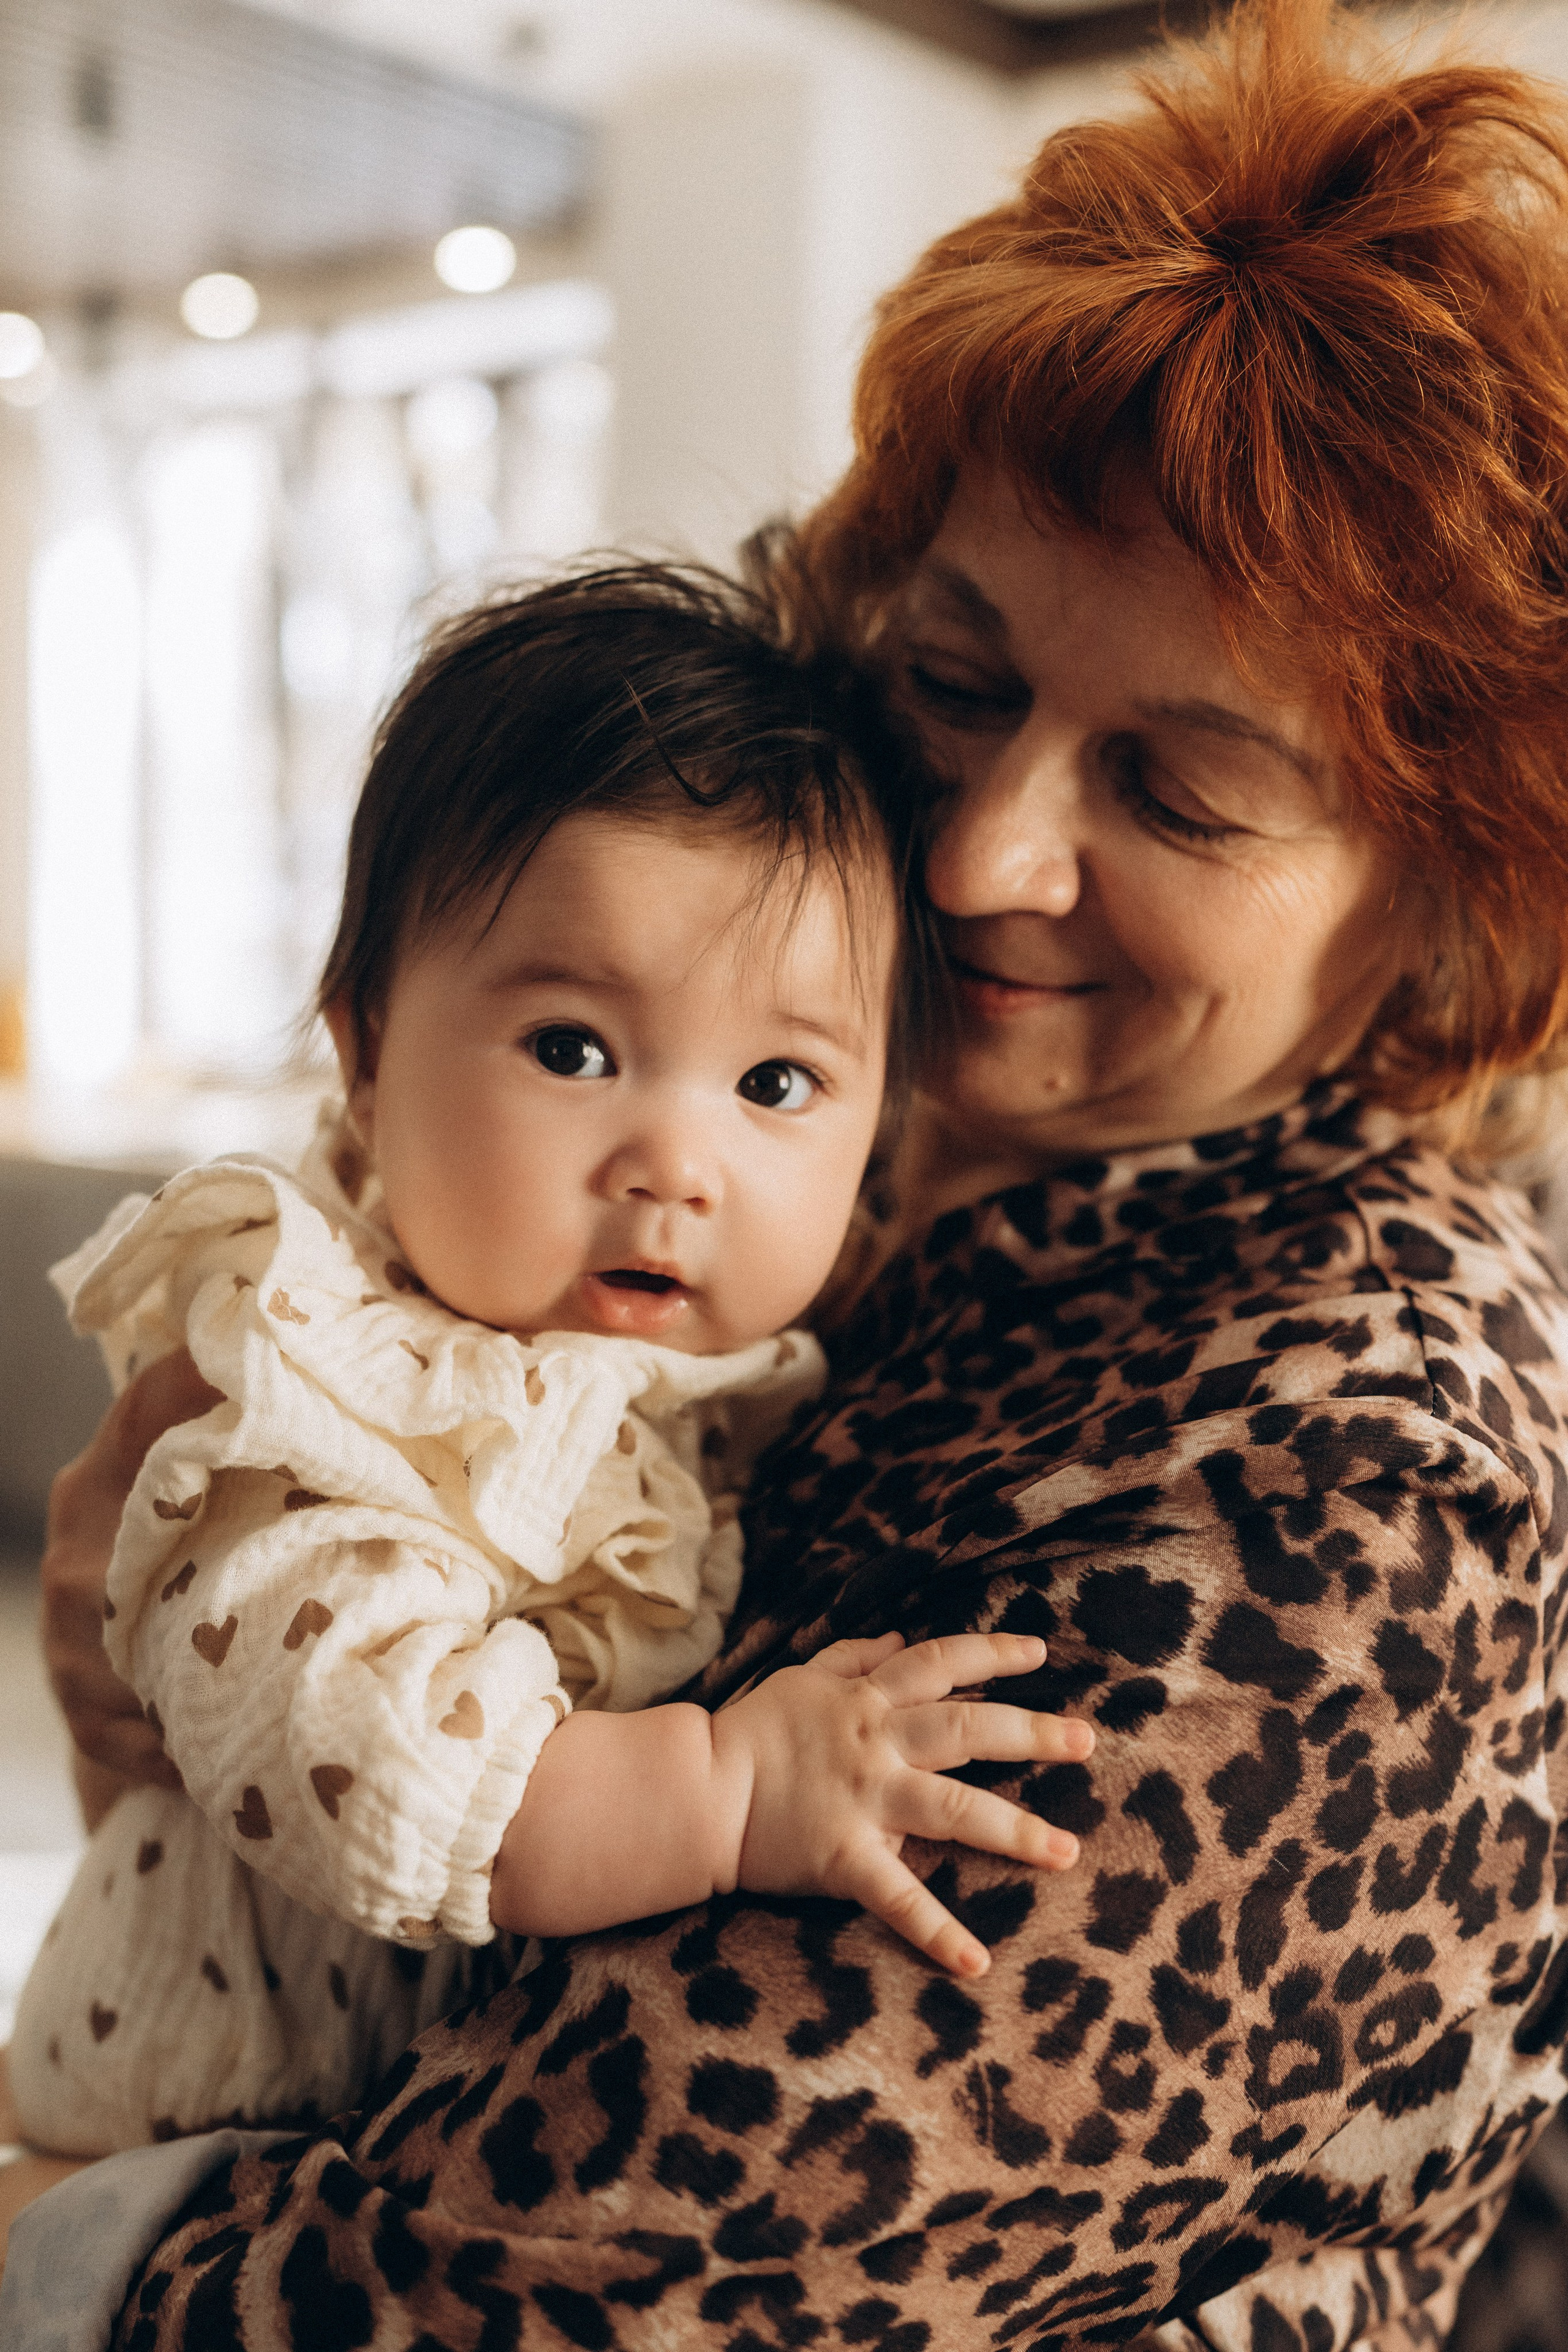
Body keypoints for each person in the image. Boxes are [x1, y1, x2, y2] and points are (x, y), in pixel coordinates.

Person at [6, 0, 1568, 2343]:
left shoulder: (1351, 1474)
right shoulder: (882, 1172)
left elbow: (539, 2293)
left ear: (1460, 888)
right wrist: (167, 1656)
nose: (977, 850)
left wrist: (41, 2235)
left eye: (1181, 791)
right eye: (953, 682)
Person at [6, 565, 1089, 2161]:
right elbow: (369, 1762)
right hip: (169, 2172)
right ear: (367, 1053)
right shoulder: (331, 1390)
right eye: (575, 1050)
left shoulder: (754, 1376)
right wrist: (729, 1789)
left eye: (778, 1081)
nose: (675, 1161)